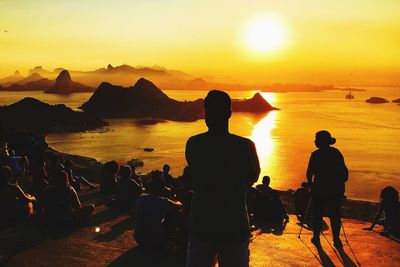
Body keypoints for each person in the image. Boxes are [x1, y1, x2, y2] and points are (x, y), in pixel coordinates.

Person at [185, 90, 260, 267]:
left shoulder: (194, 144)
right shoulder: (246, 146)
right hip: (234, 224)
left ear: (206, 114)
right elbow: (252, 177)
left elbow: (195, 174)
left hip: (201, 223)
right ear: (229, 113)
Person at [306, 130, 348, 248]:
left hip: (319, 190)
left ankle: (316, 237)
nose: (315, 141)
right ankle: (336, 239)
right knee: (334, 215)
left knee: (317, 214)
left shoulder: (315, 155)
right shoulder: (336, 153)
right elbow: (344, 173)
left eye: (316, 139)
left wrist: (310, 185)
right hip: (335, 190)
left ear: (321, 141)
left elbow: (309, 173)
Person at [134, 173, 182, 249]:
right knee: (174, 212)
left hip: (139, 239)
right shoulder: (162, 201)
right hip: (155, 242)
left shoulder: (141, 198)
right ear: (162, 189)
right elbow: (180, 205)